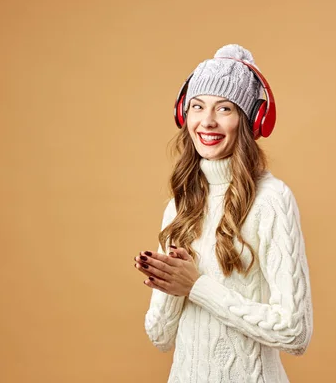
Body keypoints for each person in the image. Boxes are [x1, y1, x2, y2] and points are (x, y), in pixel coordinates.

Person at [134, 44, 313, 382]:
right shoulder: (180, 204)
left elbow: (295, 332)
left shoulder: (272, 200)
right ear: (183, 114)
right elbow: (159, 336)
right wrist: (172, 282)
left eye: (224, 108)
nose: (207, 121)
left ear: (250, 121)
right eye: (197, 107)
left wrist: (197, 286)